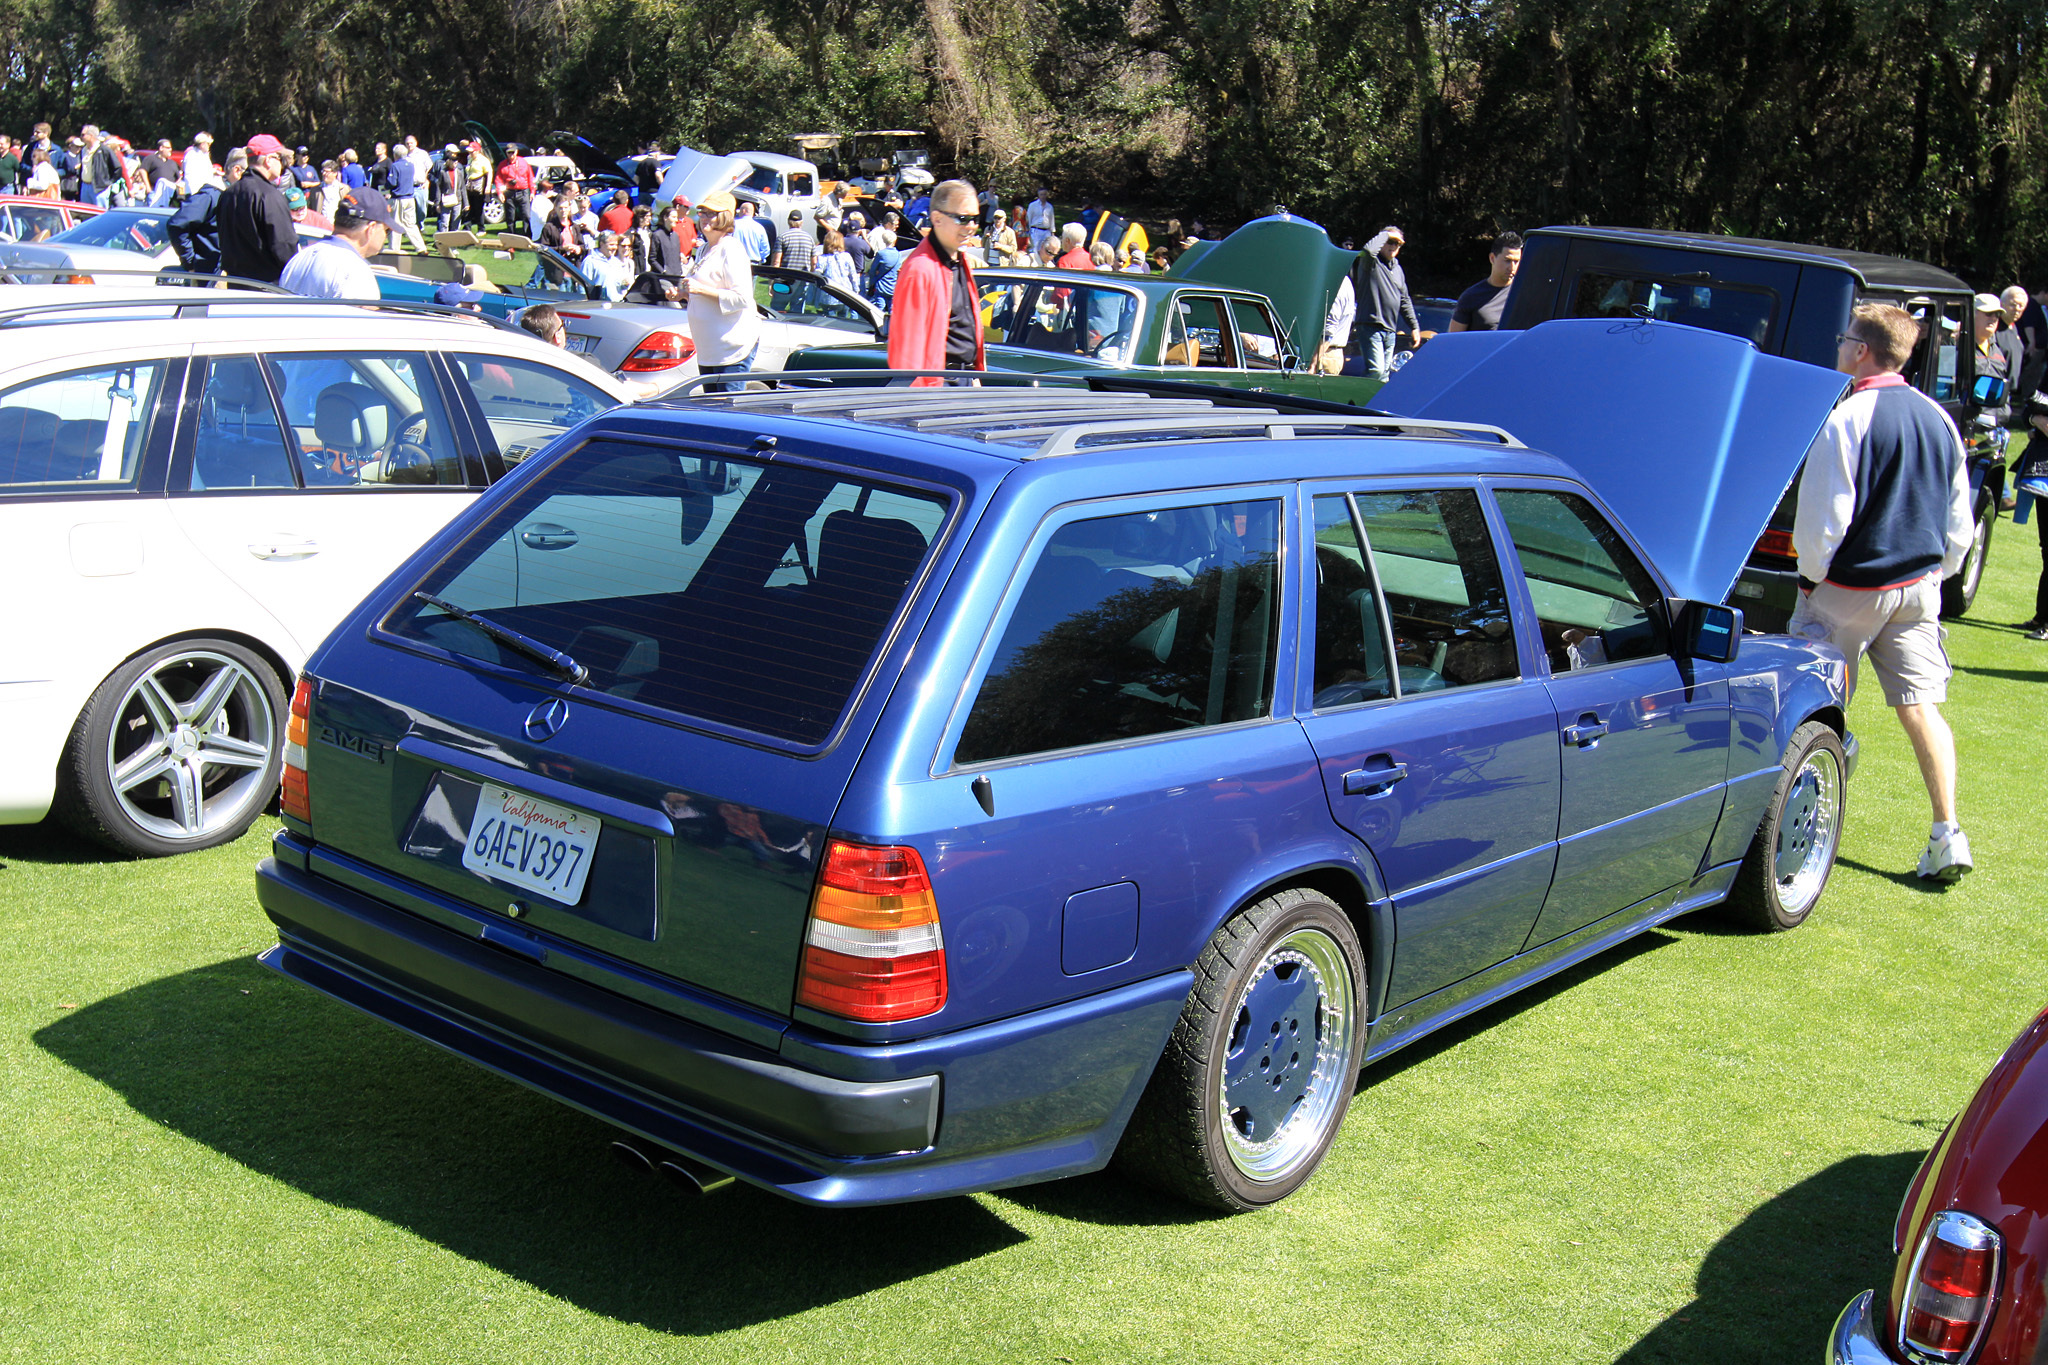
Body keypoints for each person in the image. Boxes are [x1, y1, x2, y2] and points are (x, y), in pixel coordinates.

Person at [1790, 303, 1975, 880]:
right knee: (1923, 709)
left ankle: (1794, 832)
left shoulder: (1848, 418)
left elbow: (1824, 522)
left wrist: (1809, 579)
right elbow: (1959, 524)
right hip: (1919, 588)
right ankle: (1949, 833)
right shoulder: (1939, 418)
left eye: (1846, 339)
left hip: (1849, 589)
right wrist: (1934, 574)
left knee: (1808, 706)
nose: (1840, 347)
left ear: (1862, 350)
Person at [886, 178, 984, 385]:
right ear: (937, 219)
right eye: (963, 218)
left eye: (975, 218)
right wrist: (925, 398)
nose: (972, 226)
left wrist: (975, 376)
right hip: (937, 386)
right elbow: (906, 353)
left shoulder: (958, 261)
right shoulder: (920, 269)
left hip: (963, 380)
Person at [686, 190, 763, 391]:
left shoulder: (732, 249)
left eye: (711, 213)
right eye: (702, 213)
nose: (704, 218)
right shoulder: (704, 249)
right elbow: (702, 292)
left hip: (731, 349)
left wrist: (701, 290)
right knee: (711, 412)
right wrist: (684, 294)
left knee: (727, 411)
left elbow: (742, 299)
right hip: (709, 349)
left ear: (725, 217)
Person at [279, 186, 397, 299]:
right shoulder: (357, 274)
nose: (385, 237)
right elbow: (364, 319)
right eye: (386, 231)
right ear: (370, 229)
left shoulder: (298, 259)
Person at [218, 135, 299, 284]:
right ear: (268, 160)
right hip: (266, 288)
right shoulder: (270, 196)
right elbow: (285, 247)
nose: (282, 164)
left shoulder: (228, 194)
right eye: (279, 158)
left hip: (235, 285)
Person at [1352, 225, 1420, 380]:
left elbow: (1404, 300)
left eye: (1397, 243)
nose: (1393, 246)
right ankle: (1360, 400)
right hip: (1370, 326)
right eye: (1390, 241)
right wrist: (1386, 235)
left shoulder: (1398, 269)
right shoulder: (1370, 263)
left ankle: (1374, 404)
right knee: (1376, 370)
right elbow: (1368, 250)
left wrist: (1414, 327)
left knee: (1384, 376)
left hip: (1390, 330)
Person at [166, 160, 230, 277]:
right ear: (237, 171)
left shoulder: (234, 197)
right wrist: (190, 262)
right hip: (209, 276)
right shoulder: (211, 196)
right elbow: (177, 224)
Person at [1449, 231, 1523, 332]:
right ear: (1492, 258)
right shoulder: (1471, 297)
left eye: (1516, 261)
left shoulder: (1524, 294)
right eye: (1507, 260)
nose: (1512, 267)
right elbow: (1454, 341)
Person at [385, 145, 427, 252]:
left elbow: (392, 182)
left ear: (395, 155)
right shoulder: (410, 165)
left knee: (396, 224)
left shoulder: (395, 166)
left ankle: (394, 249)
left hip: (399, 198)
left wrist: (386, 185)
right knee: (410, 224)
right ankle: (421, 247)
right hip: (410, 197)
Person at [496, 145, 535, 236]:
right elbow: (498, 180)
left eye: (513, 152)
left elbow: (530, 177)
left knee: (526, 215)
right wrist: (500, 193)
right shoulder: (502, 165)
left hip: (523, 191)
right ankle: (512, 237)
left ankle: (527, 236)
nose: (511, 155)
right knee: (510, 217)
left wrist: (532, 191)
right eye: (509, 153)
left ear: (516, 152)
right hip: (509, 192)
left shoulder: (523, 162)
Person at [818, 227, 859, 294]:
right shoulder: (846, 256)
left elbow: (818, 275)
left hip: (827, 294)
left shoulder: (823, 258)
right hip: (845, 293)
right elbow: (853, 276)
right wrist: (856, 290)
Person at [181, 131, 215, 197]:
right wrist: (195, 194)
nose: (209, 146)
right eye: (208, 143)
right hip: (195, 193)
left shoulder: (204, 155)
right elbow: (189, 176)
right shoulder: (192, 155)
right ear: (202, 144)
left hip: (204, 192)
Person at [1026, 187, 1055, 253]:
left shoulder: (1049, 206)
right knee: (1035, 250)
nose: (1043, 196)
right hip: (1036, 230)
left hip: (1046, 231)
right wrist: (1028, 231)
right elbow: (1029, 218)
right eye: (1041, 194)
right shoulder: (1032, 205)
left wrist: (1052, 232)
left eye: (1044, 194)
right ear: (1038, 195)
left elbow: (1052, 220)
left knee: (1046, 250)